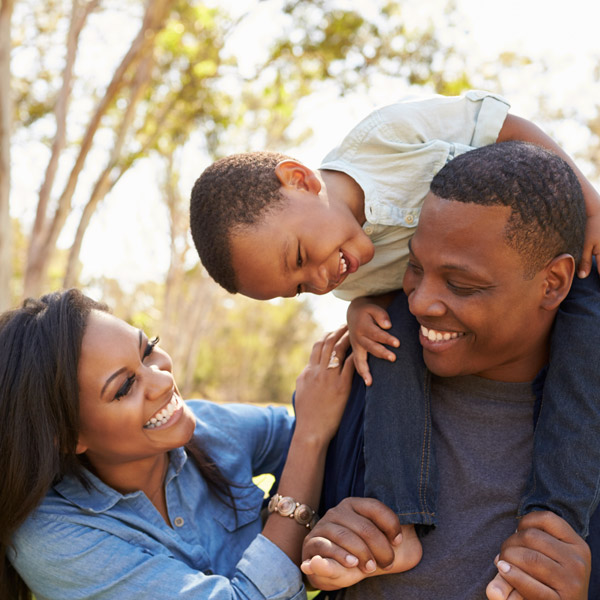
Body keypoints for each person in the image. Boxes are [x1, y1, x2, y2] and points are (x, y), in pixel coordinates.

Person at [189, 90, 600, 550]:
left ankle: (557, 519)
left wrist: (589, 202)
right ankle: (394, 519)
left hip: (553, 250)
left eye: (302, 256)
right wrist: (359, 307)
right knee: (385, 347)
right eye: (301, 287)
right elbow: (391, 292)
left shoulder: (386, 137)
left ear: (300, 179)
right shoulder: (347, 276)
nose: (321, 279)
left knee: (586, 350)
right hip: (440, 305)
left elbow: (508, 128)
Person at [300, 141, 594, 599]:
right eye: (415, 267)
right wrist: (320, 545)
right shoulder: (358, 383)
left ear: (553, 283)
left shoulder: (583, 436)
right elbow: (276, 542)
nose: (419, 302)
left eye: (461, 284)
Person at [0, 288, 358, 600]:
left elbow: (336, 435)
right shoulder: (54, 539)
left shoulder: (209, 427)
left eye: (147, 351)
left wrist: (367, 317)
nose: (162, 381)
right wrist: (309, 442)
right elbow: (310, 433)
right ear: (67, 437)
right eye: (124, 388)